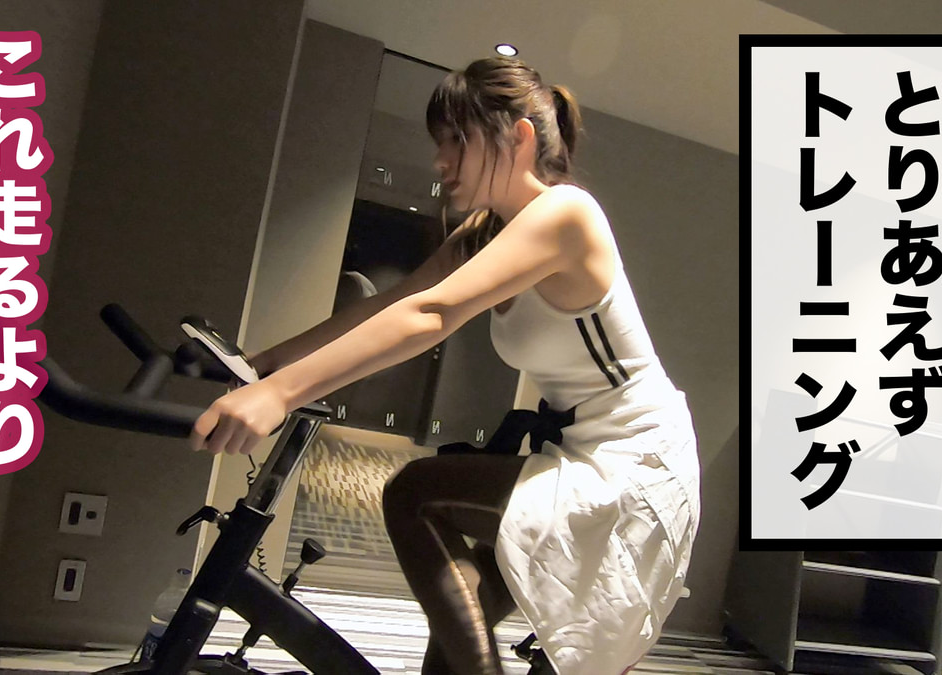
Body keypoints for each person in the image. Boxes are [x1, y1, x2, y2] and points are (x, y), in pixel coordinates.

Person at [189, 56, 701, 675]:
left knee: (416, 493)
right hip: (579, 450)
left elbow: (431, 314)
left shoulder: (568, 213)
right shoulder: (485, 233)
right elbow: (394, 302)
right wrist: (266, 366)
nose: (440, 160)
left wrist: (280, 396)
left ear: (519, 136)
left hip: (633, 460)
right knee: (461, 619)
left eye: (456, 140)